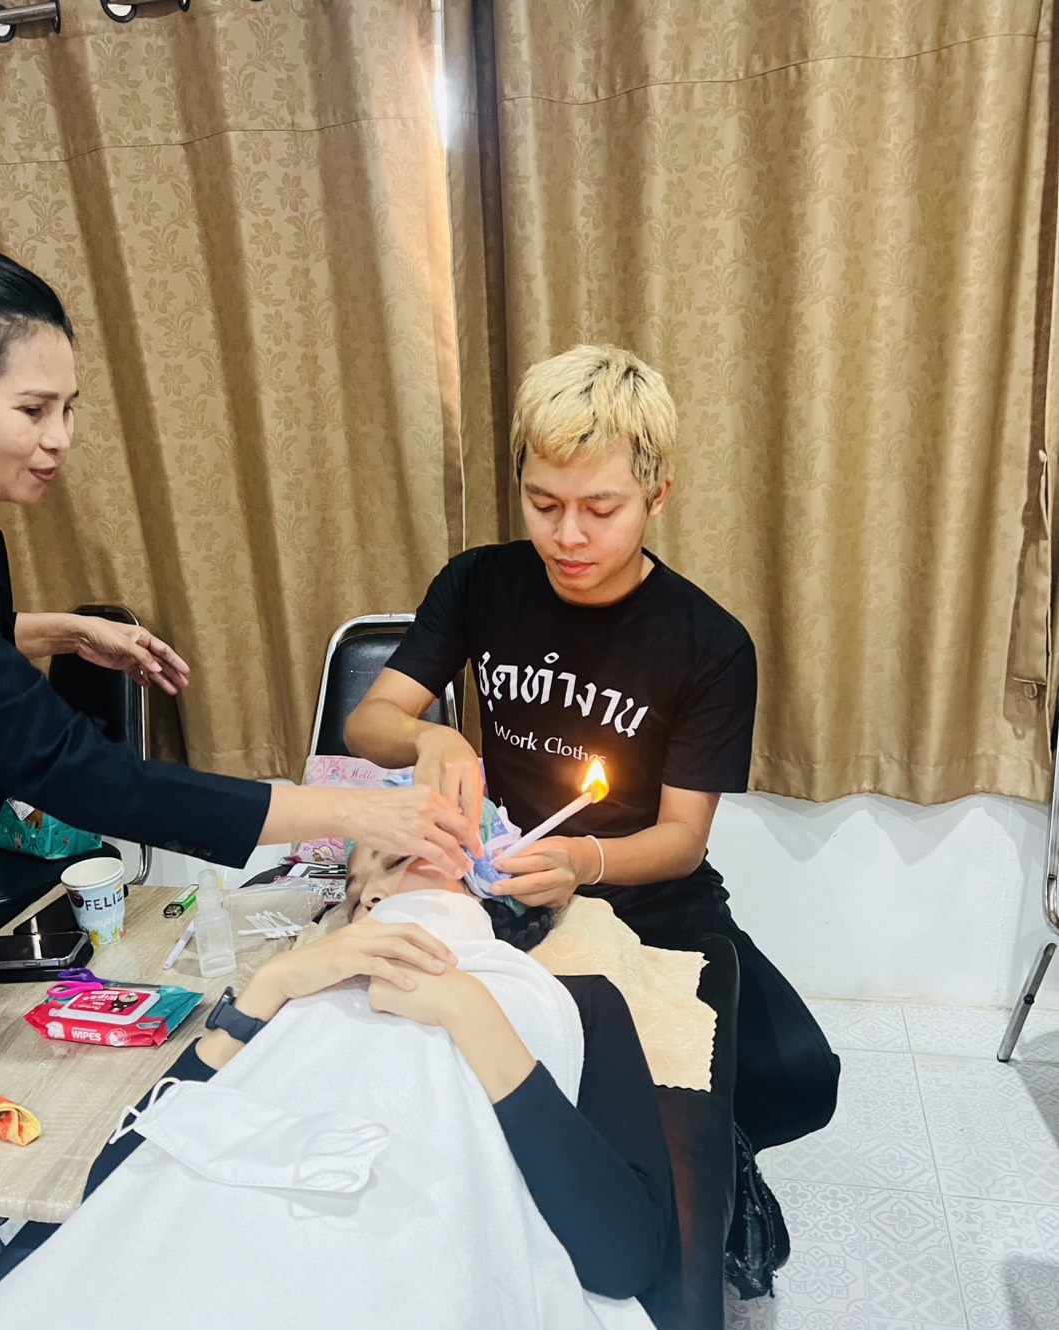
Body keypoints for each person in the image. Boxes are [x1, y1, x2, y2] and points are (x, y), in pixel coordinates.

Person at [0, 831, 714, 1330]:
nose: (393, 867)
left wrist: (470, 1010)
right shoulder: (298, 993)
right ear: (363, 906)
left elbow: (622, 1255)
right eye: (373, 868)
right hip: (191, 1280)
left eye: (417, 848)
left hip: (387, 1309)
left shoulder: (571, 998)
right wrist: (271, 985)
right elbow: (114, 1183)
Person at [344, 342, 839, 1155]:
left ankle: (702, 1159)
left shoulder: (710, 644)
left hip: (648, 892)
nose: (567, 535)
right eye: (543, 503)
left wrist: (584, 859)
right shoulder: (478, 584)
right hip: (505, 881)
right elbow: (369, 722)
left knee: (797, 1075)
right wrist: (431, 732)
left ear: (657, 493)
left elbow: (681, 840)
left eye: (601, 509)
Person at [0, 242, 478, 988]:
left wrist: (65, 630)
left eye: (69, 409)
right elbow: (82, 774)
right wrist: (355, 813)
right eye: (33, 410)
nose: (60, 437)